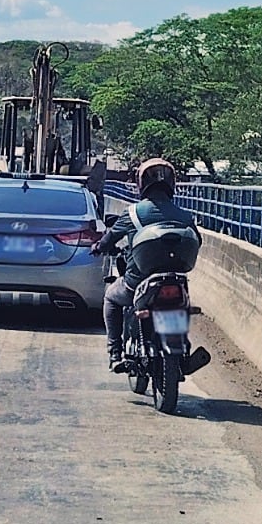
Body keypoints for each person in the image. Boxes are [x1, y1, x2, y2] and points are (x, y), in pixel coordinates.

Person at [100, 158, 199, 370]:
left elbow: (109, 239)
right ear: (172, 184)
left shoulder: (133, 212)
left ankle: (115, 353)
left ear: (141, 184)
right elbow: (197, 241)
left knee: (111, 297)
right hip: (175, 282)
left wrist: (98, 248)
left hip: (137, 283)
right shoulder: (184, 215)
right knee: (180, 305)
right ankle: (184, 348)